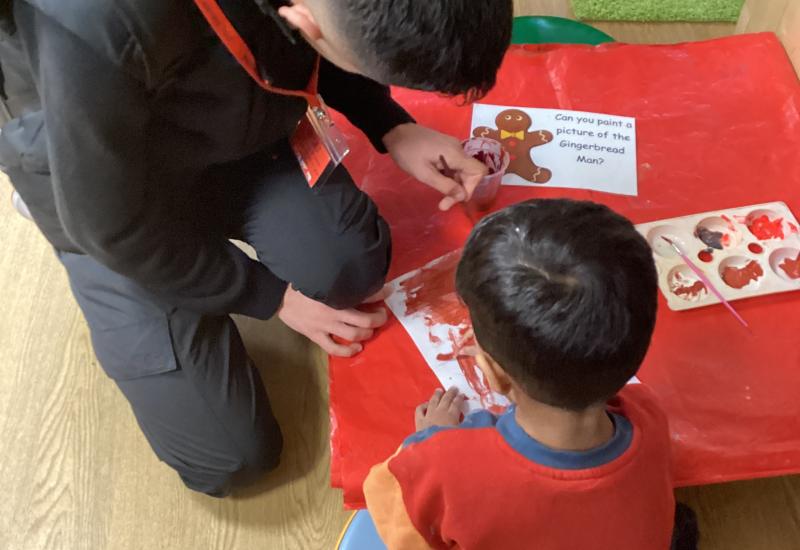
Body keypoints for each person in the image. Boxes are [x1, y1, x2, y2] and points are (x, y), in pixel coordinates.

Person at [0, 0, 513, 497]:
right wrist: (271, 296)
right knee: (231, 459)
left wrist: (391, 123)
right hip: (103, 194)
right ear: (304, 23)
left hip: (234, 127)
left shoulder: (304, 21)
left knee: (348, 268)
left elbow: (332, 34)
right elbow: (114, 227)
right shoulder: (93, 25)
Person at [364, 199, 692, 549]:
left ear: (492, 374)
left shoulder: (436, 471)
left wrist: (432, 440)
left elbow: (393, 516)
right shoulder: (649, 416)